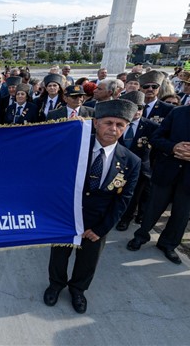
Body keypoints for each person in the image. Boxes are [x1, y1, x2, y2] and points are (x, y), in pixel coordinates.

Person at [44, 99, 140, 314]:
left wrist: (102, 229)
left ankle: (78, 290)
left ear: (126, 128)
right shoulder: (74, 145)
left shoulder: (131, 161)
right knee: (59, 256)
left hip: (97, 222)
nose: (113, 129)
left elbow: (124, 199)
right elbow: (54, 179)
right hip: (66, 217)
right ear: (96, 123)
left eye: (119, 125)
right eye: (108, 123)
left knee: (88, 260)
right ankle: (55, 285)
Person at [127, 68, 190, 264]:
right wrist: (174, 147)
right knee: (153, 208)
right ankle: (141, 236)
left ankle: (168, 244)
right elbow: (157, 138)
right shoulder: (181, 112)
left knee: (181, 215)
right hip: (168, 171)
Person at [115, 91, 160, 231]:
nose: (136, 111)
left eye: (140, 107)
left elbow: (156, 151)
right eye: (132, 107)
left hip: (140, 169)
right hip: (116, 167)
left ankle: (126, 218)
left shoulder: (151, 127)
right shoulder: (114, 123)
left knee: (132, 196)